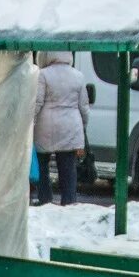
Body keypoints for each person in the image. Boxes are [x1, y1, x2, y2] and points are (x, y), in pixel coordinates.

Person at [32, 52, 91, 206]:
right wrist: (83, 125)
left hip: (45, 126)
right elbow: (84, 106)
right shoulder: (78, 76)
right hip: (71, 126)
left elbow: (37, 103)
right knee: (68, 168)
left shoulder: (42, 75)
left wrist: (31, 122)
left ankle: (45, 199)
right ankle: (69, 200)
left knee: (42, 165)